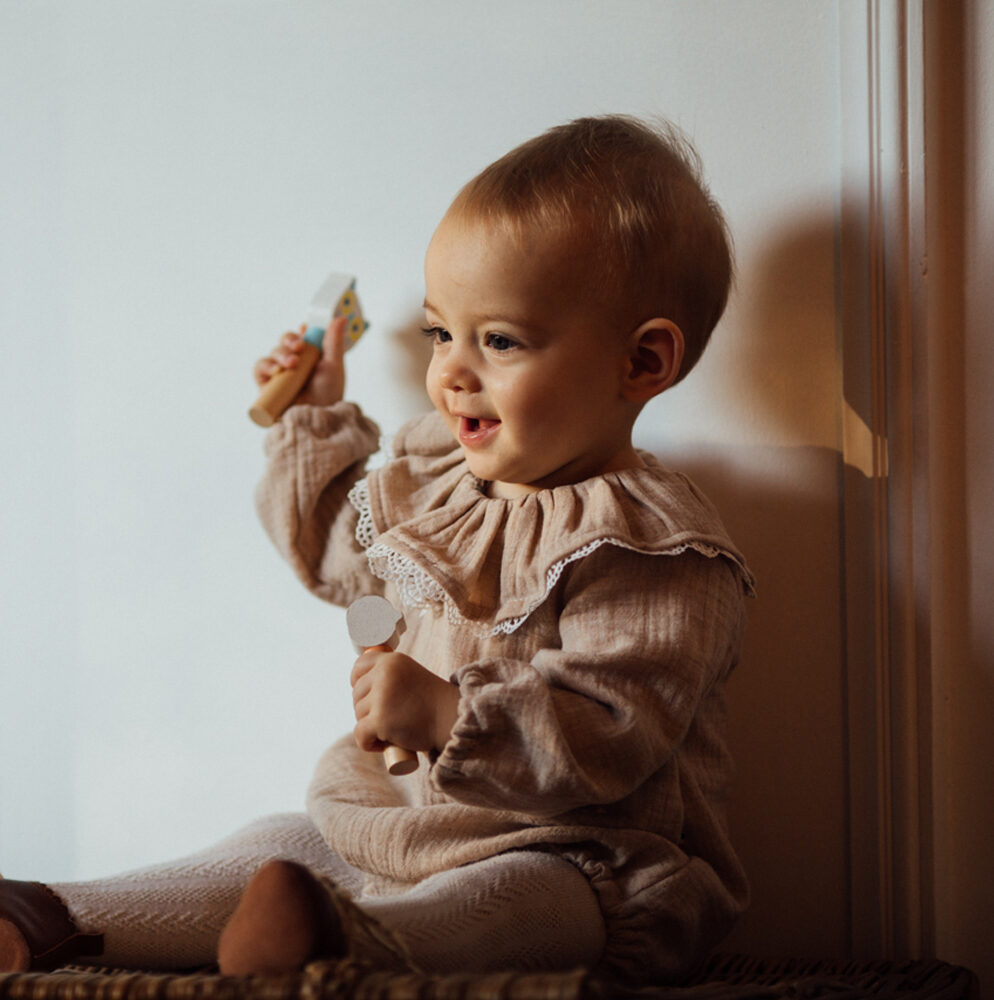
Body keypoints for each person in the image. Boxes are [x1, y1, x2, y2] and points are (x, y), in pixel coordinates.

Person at [0, 115, 754, 986]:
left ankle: (358, 948)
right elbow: (337, 558)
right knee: (283, 840)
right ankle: (54, 915)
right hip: (403, 826)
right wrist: (314, 411)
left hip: (578, 855)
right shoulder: (438, 483)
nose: (452, 373)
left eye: (499, 340)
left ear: (643, 362)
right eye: (442, 333)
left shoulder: (657, 547)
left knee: (516, 897)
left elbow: (612, 730)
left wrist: (447, 714)